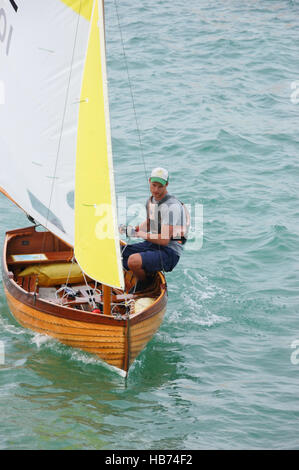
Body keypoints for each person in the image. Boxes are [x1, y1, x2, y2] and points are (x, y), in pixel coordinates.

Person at [121, 167, 188, 292]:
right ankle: (146, 270)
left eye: (160, 186)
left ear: (166, 185)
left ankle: (145, 284)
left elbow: (164, 240)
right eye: (154, 185)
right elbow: (150, 223)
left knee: (132, 261)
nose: (156, 190)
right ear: (149, 181)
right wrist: (132, 230)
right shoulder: (151, 200)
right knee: (117, 253)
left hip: (170, 252)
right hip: (153, 245)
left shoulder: (171, 206)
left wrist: (141, 234)